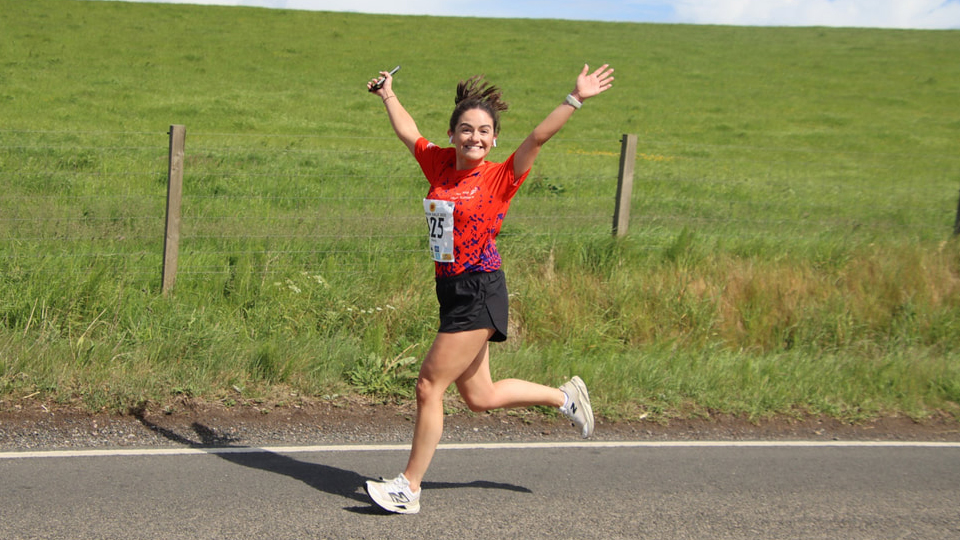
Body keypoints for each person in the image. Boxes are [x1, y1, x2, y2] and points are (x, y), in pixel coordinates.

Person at [363, 63, 615, 514]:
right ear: (453, 134)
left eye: (483, 131)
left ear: (494, 138)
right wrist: (387, 95)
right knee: (480, 397)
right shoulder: (439, 163)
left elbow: (538, 138)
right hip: (452, 291)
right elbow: (409, 133)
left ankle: (409, 487)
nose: (474, 138)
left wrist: (574, 99)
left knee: (428, 385)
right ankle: (565, 397)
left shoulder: (502, 176)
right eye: (465, 129)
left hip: (480, 289)